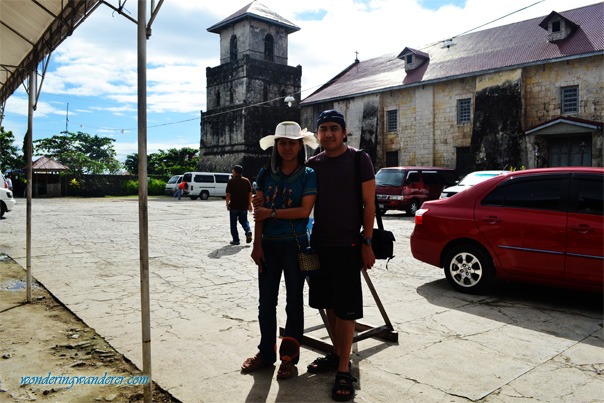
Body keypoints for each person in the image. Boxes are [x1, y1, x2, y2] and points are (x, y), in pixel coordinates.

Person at [305, 110, 376, 401]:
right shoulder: (312, 164)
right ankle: (336, 354)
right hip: (316, 245)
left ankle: (344, 369)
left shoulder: (360, 159)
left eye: (334, 128)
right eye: (323, 129)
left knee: (346, 308)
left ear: (345, 132)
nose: (329, 134)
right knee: (327, 304)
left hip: (348, 245)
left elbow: (369, 204)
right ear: (317, 134)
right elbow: (302, 203)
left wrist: (367, 242)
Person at [241, 121, 318, 380]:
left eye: (292, 143)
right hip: (269, 247)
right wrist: (256, 244)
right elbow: (258, 215)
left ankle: (289, 358)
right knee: (266, 303)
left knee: (294, 302)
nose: (287, 147)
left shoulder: (308, 175)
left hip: (296, 246)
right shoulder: (264, 174)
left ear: (300, 146)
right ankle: (266, 353)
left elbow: (304, 211)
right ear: (276, 146)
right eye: (282, 142)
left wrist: (272, 212)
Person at [226, 165, 253, 245]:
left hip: (234, 205)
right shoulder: (246, 180)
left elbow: (228, 194)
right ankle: (248, 231)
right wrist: (250, 204)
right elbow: (250, 193)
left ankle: (236, 240)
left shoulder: (231, 181)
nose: (232, 171)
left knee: (233, 223)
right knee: (244, 221)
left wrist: (227, 204)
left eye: (233, 170)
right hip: (244, 205)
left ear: (235, 172)